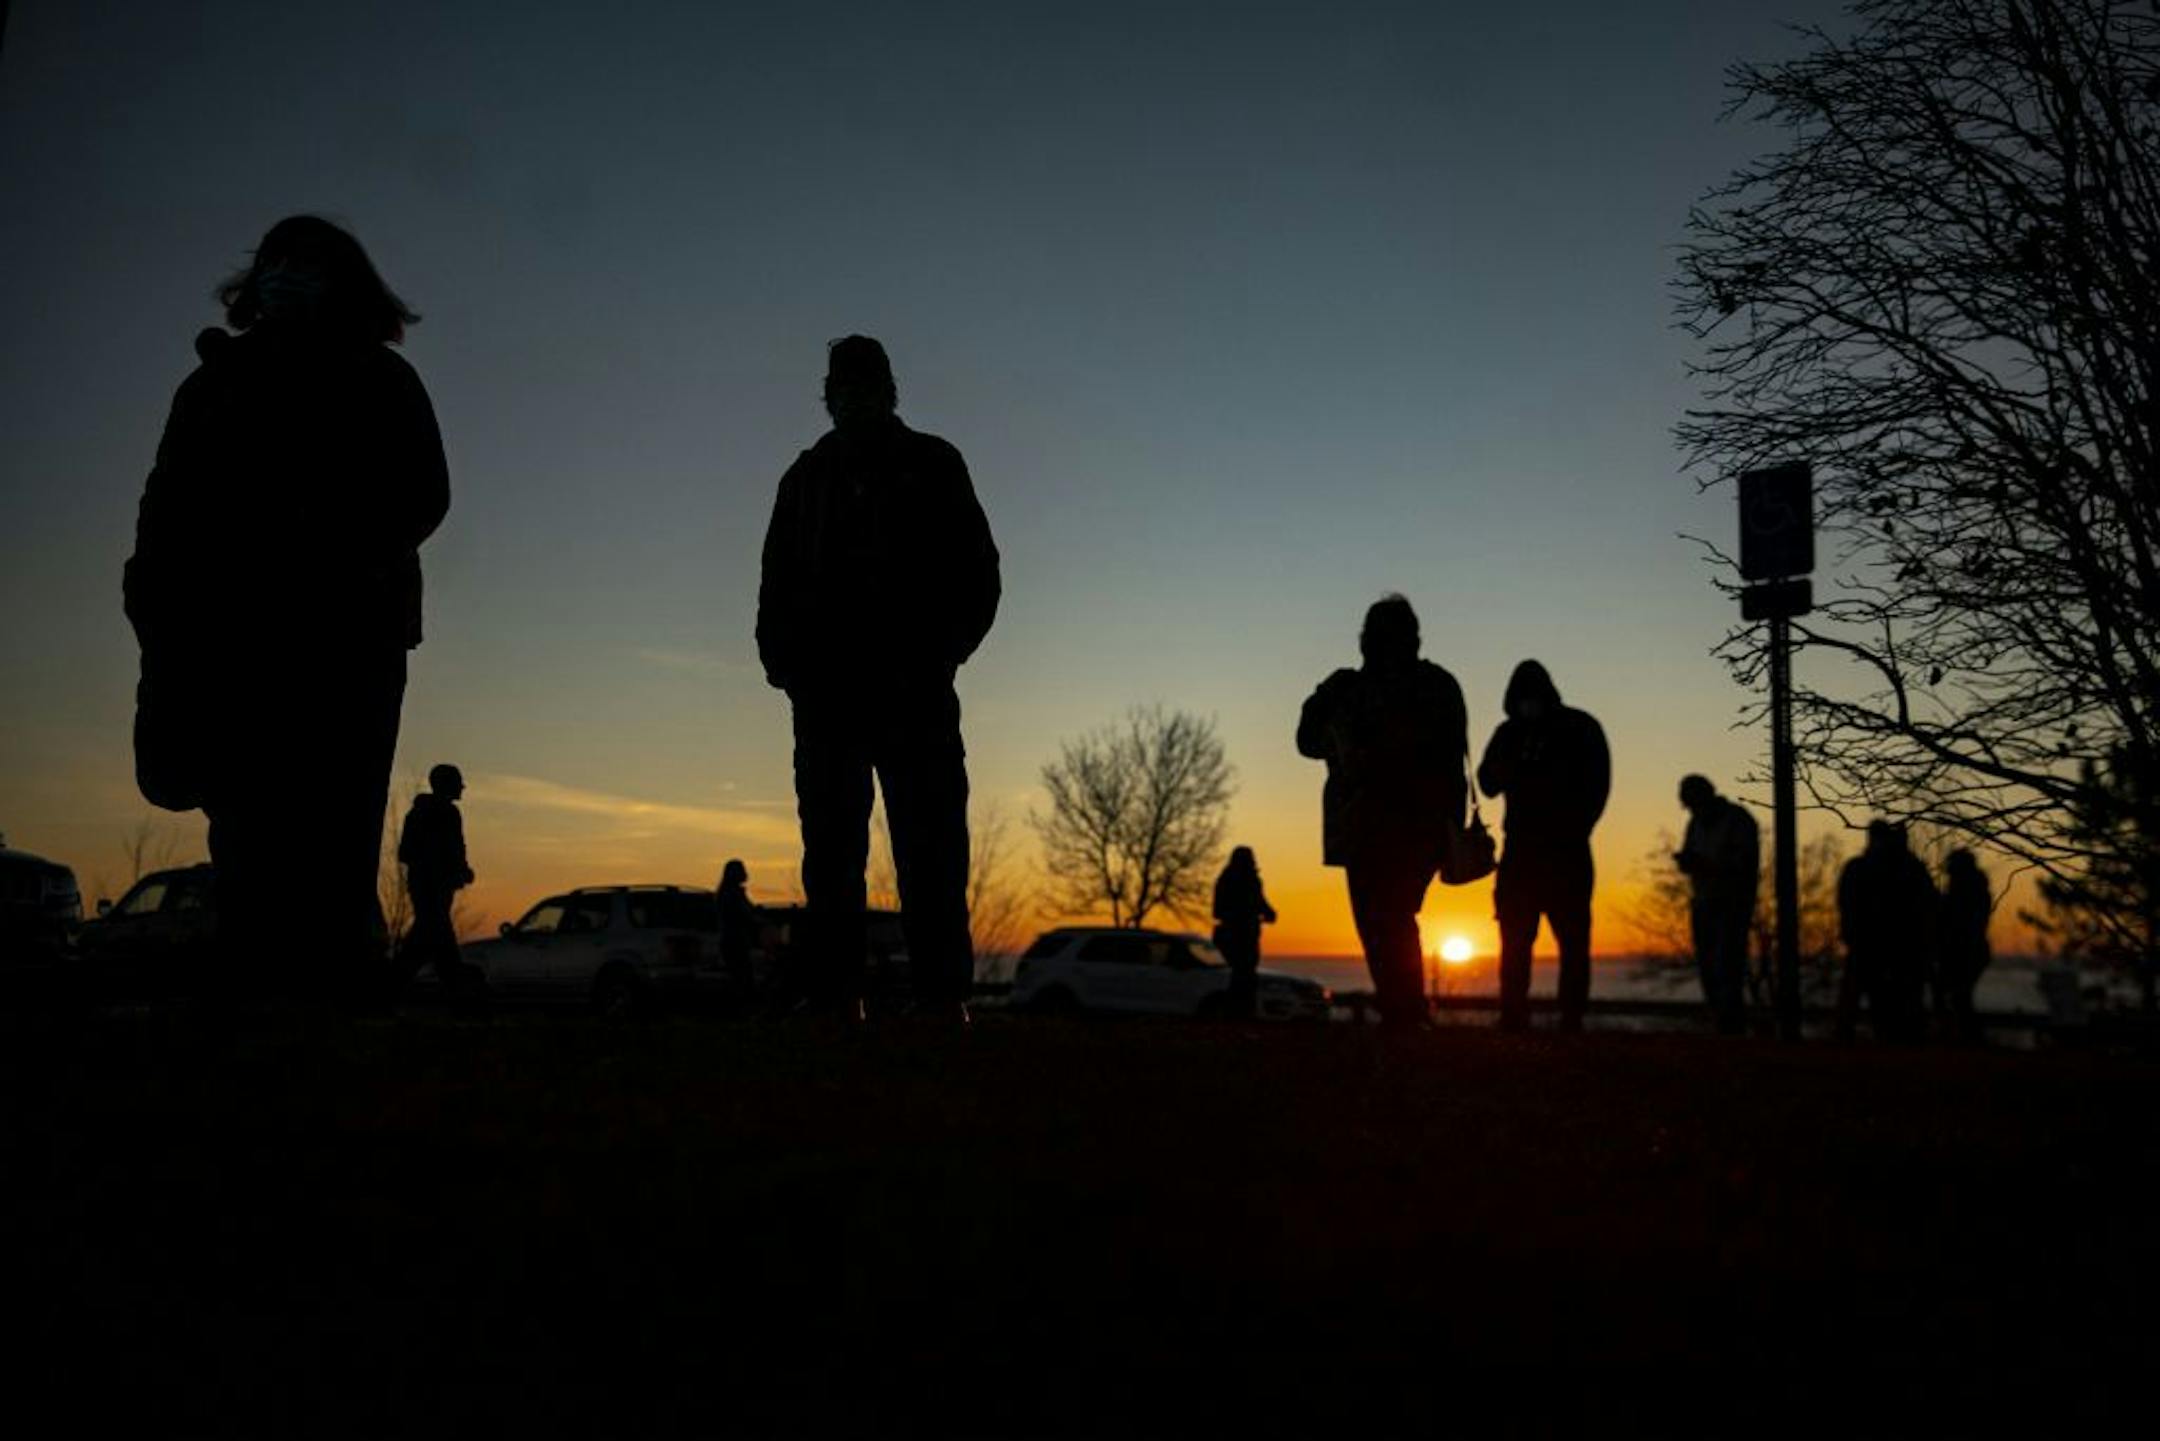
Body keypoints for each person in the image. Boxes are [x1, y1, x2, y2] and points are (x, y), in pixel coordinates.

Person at [124, 216, 449, 1002]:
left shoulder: (381, 379)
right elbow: (164, 508)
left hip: (350, 641)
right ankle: (257, 996)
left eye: (308, 264)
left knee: (336, 831)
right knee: (246, 834)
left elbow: (423, 495)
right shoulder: (212, 384)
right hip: (230, 642)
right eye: (276, 262)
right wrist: (154, 599)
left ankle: (336, 994)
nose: (288, 277)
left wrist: (329, 556)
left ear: (346, 284)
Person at [756, 336, 1000, 1021]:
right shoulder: (804, 479)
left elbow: (978, 572)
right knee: (831, 854)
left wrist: (937, 656)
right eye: (844, 384)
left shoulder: (933, 463)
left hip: (913, 691)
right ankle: (837, 992)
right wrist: (787, 667)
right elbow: (775, 584)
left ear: (888, 388)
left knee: (931, 849)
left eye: (866, 383)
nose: (854, 395)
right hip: (827, 697)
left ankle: (942, 995)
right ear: (829, 393)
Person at [1297, 595, 1468, 1028]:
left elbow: (1449, 758)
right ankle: (1402, 1011)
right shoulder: (1358, 688)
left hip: (1402, 824)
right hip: (1370, 825)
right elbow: (1307, 741)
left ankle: (1406, 1011)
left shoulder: (1427, 686)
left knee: (1387, 917)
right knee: (1381, 921)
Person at [1476, 661, 1609, 1032]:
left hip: (1565, 852)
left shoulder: (1579, 728)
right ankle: (1515, 1014)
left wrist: (1576, 828)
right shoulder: (1510, 734)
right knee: (1517, 939)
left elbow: (1598, 786)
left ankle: (1570, 1017)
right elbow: (1487, 782)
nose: (1528, 703)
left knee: (1571, 941)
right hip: (1522, 853)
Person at [1836, 821, 1938, 1042]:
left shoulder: (1903, 869)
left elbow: (1925, 907)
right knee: (1876, 996)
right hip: (1878, 944)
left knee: (1885, 997)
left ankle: (1890, 1038)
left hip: (1893, 946)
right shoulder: (1904, 869)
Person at [1675, 775, 1759, 1035]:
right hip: (1703, 901)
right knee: (1708, 965)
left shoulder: (1738, 819)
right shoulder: (1695, 823)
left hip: (1732, 903)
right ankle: (1720, 1020)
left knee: (1728, 963)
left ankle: (1731, 1024)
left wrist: (1708, 866)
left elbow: (1745, 864)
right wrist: (1688, 862)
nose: (1691, 809)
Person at [398, 764, 476, 1005]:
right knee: (436, 939)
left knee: (429, 940)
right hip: (428, 889)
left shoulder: (448, 815)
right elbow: (408, 852)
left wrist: (460, 870)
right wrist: (445, 869)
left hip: (437, 889)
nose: (461, 787)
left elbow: (456, 850)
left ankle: (386, 992)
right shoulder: (428, 814)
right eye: (457, 782)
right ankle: (461, 997)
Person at [1211, 846, 1278, 1018]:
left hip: (1243, 934)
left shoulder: (1232, 879)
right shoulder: (1238, 880)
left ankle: (1241, 1012)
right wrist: (1252, 913)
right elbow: (1219, 910)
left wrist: (1267, 913)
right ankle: (1238, 1012)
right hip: (1237, 935)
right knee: (1240, 975)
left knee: (1243, 975)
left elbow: (1261, 903)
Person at [1936, 849, 1993, 1039]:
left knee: (1959, 995)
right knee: (1958, 995)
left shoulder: (1969, 890)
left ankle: (1969, 1035)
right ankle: (1965, 1034)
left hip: (1966, 950)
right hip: (1964, 950)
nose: (1949, 871)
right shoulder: (1971, 888)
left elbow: (1960, 921)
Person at [716, 858, 761, 1002]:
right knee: (742, 976)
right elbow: (744, 915)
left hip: (735, 940)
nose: (745, 873)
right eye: (741, 869)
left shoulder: (731, 893)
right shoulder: (731, 894)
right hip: (734, 941)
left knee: (741, 976)